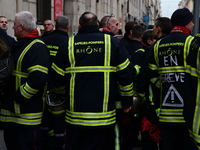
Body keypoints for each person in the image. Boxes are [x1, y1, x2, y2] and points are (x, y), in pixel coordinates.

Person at [50, 11, 134, 150]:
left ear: (79, 26)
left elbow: (57, 77)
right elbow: (125, 74)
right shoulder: (111, 42)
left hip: (75, 115)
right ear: (97, 26)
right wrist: (127, 101)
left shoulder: (69, 44)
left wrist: (62, 96)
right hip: (103, 116)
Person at [138, 8, 197, 150]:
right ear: (186, 23)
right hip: (188, 113)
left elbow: (150, 75)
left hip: (166, 113)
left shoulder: (158, 45)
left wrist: (166, 83)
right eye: (192, 22)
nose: (193, 25)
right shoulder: (192, 43)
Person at [0, 11, 50, 150]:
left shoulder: (37, 47)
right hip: (12, 117)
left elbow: (38, 79)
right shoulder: (18, 45)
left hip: (27, 117)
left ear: (21, 27)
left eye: (14, 25)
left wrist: (20, 96)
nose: (12, 27)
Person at [139, 17, 172, 150]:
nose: (152, 30)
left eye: (154, 27)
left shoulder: (154, 48)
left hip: (153, 103)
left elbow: (145, 75)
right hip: (173, 102)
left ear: (159, 28)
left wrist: (141, 97)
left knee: (150, 139)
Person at [41, 15, 70, 150]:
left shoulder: (43, 40)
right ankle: (57, 143)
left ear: (55, 26)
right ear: (68, 27)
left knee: (45, 117)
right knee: (59, 119)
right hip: (60, 88)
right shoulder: (68, 43)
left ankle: (44, 140)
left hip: (43, 85)